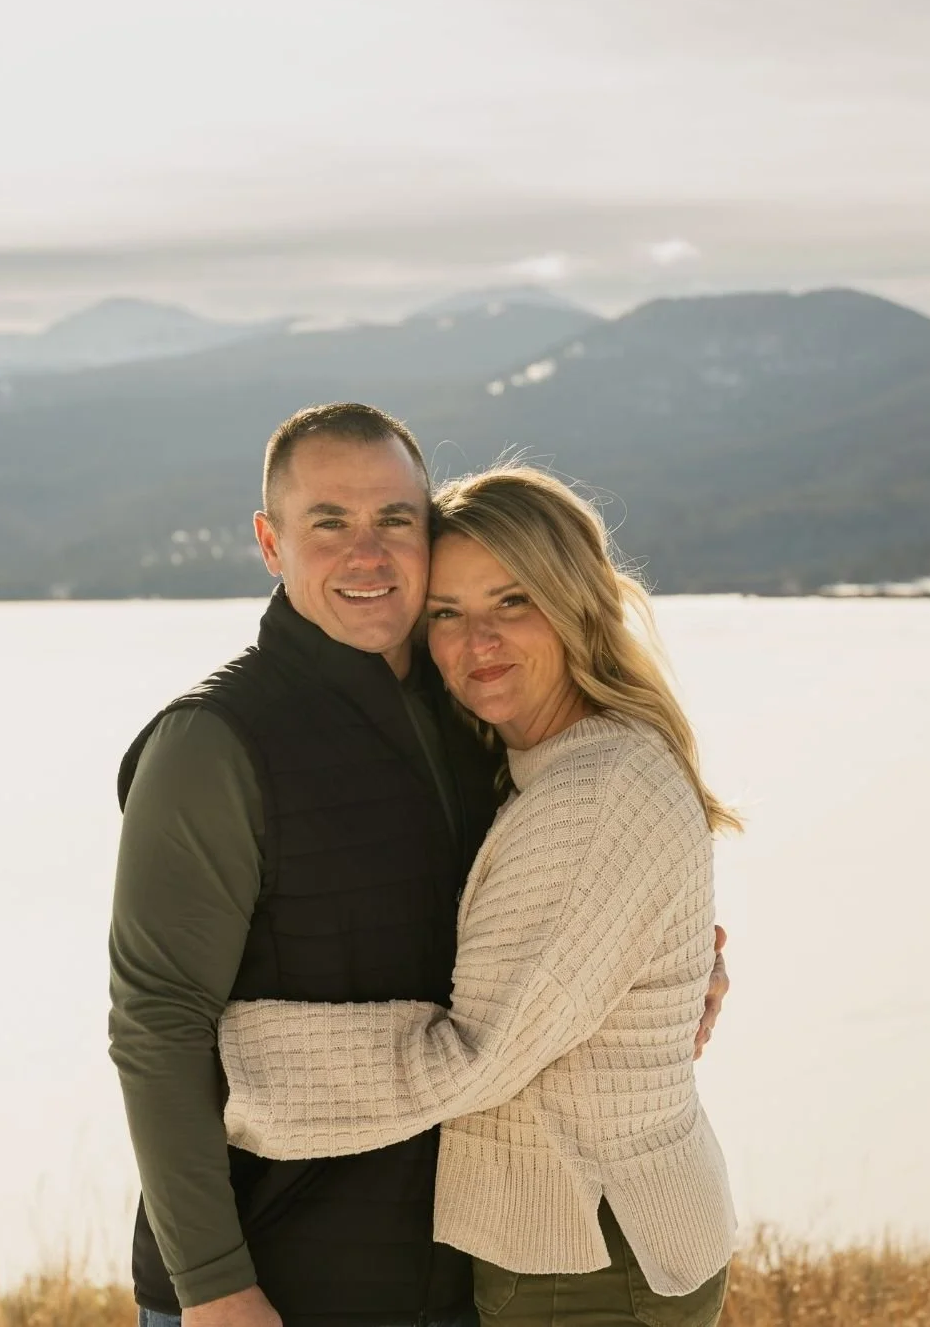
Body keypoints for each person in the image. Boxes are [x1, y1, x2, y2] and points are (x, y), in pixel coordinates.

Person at [109, 407, 730, 1327]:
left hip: (464, 1271)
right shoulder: (213, 744)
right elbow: (157, 1024)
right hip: (275, 1283)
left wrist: (657, 984)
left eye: (394, 519)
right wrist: (211, 1284)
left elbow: (556, 927)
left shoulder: (478, 718)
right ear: (271, 543)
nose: (366, 554)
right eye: (329, 522)